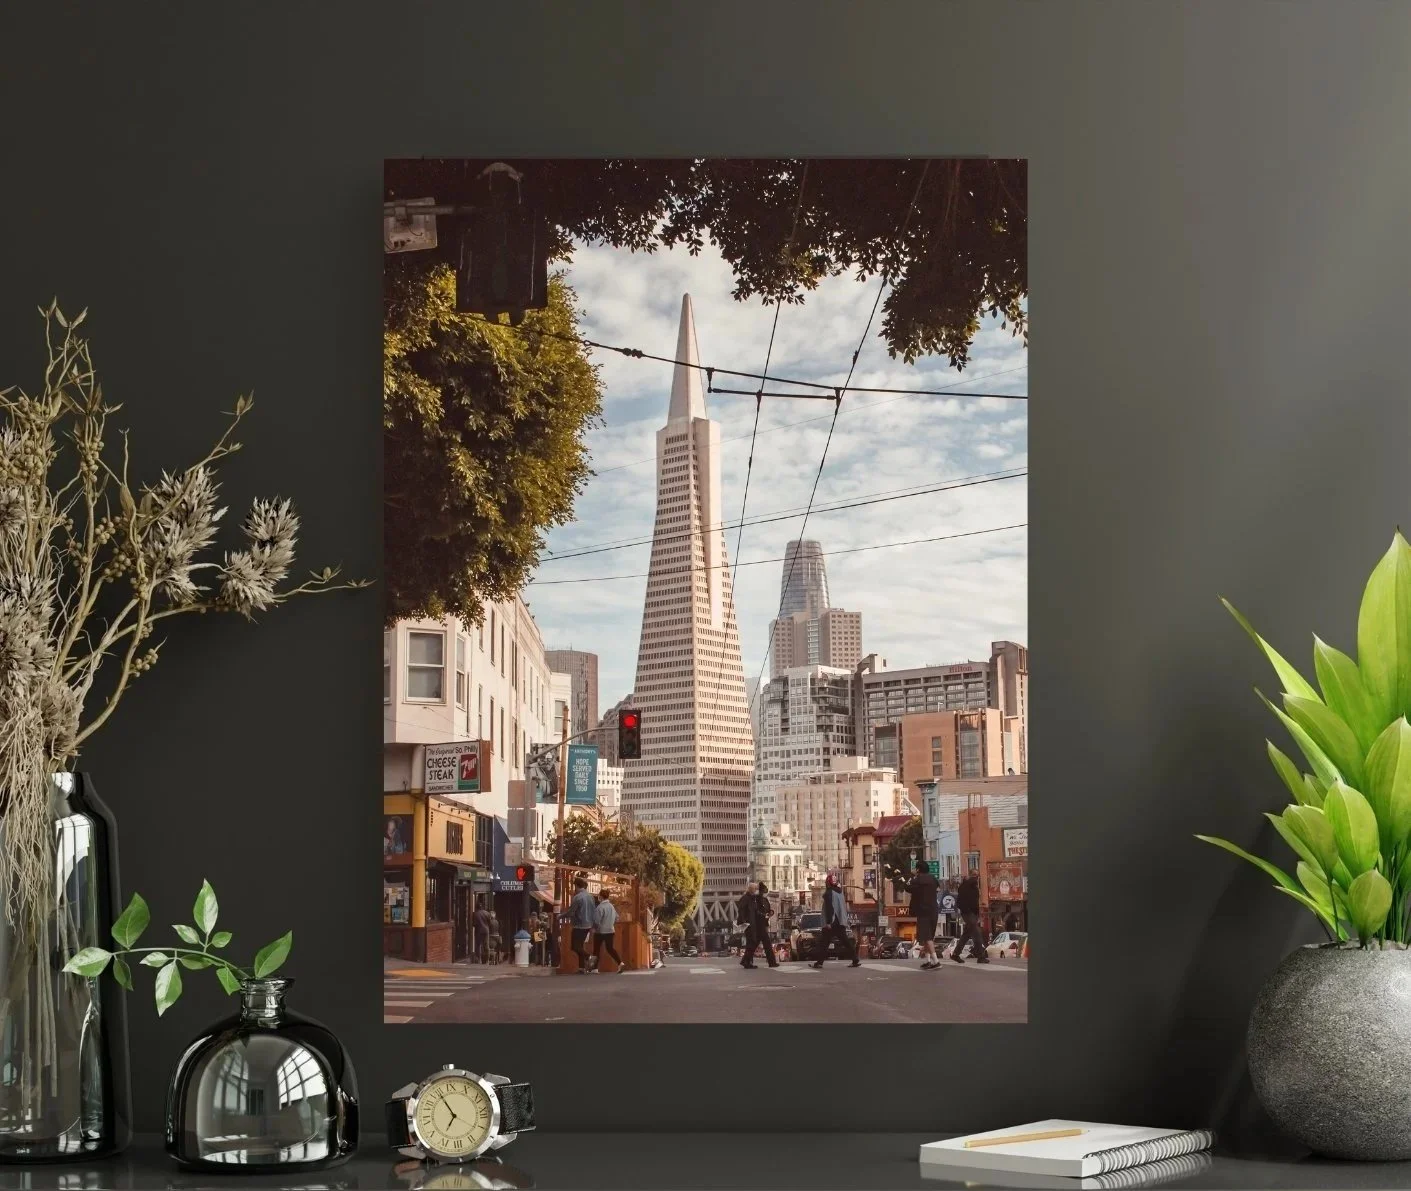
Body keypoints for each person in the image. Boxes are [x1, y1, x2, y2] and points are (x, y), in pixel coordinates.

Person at [812, 873, 861, 969]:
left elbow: (830, 908)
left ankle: (819, 963)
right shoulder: (840, 892)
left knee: (824, 943)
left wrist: (828, 922)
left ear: (828, 883)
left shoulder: (828, 893)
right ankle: (855, 959)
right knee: (846, 942)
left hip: (832, 922)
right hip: (840, 921)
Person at [908, 863, 942, 970]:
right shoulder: (933, 879)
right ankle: (928, 961)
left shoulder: (917, 879)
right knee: (929, 936)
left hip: (923, 910)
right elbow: (938, 889)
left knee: (926, 937)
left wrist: (913, 876)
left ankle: (936, 961)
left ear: (918, 869)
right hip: (934, 909)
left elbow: (907, 887)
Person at [952, 873, 989, 964]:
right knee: (977, 933)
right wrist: (969, 911)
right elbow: (962, 902)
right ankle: (981, 956)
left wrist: (976, 913)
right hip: (969, 913)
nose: (977, 878)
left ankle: (955, 954)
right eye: (975, 875)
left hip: (970, 913)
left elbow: (973, 902)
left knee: (966, 934)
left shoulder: (970, 887)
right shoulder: (969, 887)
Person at [748, 881, 780, 969]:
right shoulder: (756, 899)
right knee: (767, 944)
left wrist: (770, 912)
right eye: (763, 891)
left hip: (763, 923)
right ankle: (772, 962)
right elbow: (755, 911)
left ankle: (746, 960)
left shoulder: (764, 900)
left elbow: (767, 910)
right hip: (758, 924)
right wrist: (763, 915)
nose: (764, 893)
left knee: (755, 944)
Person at [569, 877, 596, 973]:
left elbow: (571, 912)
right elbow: (593, 910)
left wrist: (560, 916)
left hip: (579, 925)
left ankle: (589, 957)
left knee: (575, 946)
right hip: (588, 925)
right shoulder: (591, 896)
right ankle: (581, 968)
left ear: (576, 886)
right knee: (580, 946)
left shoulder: (577, 897)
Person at [592, 891, 625, 973]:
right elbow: (617, 918)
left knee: (596, 949)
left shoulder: (600, 907)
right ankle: (620, 963)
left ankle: (595, 968)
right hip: (610, 930)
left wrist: (594, 928)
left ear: (600, 897)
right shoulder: (611, 906)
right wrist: (610, 923)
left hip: (600, 931)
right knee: (610, 948)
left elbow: (596, 921)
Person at [736, 882, 759, 968]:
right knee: (752, 942)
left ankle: (746, 961)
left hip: (752, 924)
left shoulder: (752, 898)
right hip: (748, 924)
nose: (756, 890)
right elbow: (741, 910)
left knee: (751, 943)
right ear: (751, 889)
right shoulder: (745, 898)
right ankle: (746, 962)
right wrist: (744, 921)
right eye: (755, 889)